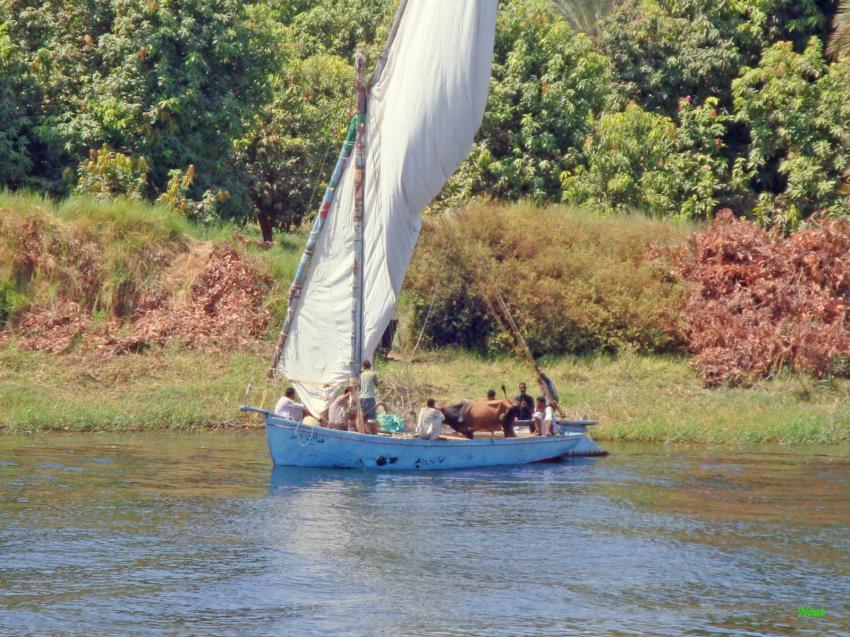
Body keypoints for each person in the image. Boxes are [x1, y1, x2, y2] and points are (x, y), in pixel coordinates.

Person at [360, 360, 379, 424]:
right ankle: (370, 431)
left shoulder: (361, 375)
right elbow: (377, 384)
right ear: (370, 366)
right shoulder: (373, 374)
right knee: (371, 418)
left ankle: (363, 430)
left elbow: (359, 385)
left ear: (363, 367)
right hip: (370, 398)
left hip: (361, 398)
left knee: (363, 416)